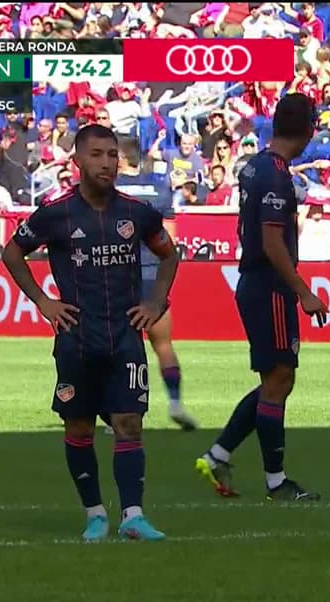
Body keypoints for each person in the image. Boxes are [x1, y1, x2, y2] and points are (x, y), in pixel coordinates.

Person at [1, 123, 180, 541]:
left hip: (125, 336)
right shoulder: (56, 213)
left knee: (129, 423)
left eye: (112, 154)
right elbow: (12, 252)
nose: (107, 163)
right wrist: (43, 301)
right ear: (77, 160)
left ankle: (133, 516)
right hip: (77, 339)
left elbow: (169, 255)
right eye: (97, 155)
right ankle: (95, 513)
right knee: (78, 427)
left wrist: (156, 301)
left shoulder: (137, 212)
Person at [194, 93, 327, 501]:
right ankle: (276, 482)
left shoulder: (255, 166)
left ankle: (218, 454)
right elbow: (272, 241)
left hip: (257, 282)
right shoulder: (273, 174)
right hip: (269, 283)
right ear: (307, 130)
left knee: (276, 379)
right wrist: (302, 291)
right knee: (279, 379)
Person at [99, 136, 198, 435]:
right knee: (163, 344)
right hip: (153, 276)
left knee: (116, 350)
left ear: (121, 159)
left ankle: (121, 413)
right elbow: (171, 240)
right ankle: (176, 402)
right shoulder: (159, 189)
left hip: (118, 277)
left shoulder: (109, 192)